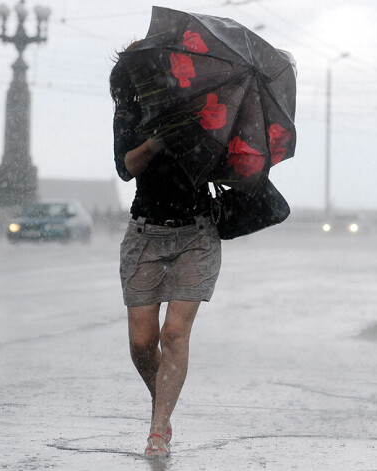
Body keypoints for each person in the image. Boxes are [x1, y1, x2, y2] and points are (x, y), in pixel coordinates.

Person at [110, 43, 222, 458]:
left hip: (196, 233)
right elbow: (127, 167)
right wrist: (159, 139)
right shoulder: (130, 112)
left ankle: (158, 430)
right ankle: (164, 405)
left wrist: (201, 129)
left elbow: (223, 165)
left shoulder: (201, 109)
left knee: (174, 334)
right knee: (142, 342)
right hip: (145, 234)